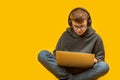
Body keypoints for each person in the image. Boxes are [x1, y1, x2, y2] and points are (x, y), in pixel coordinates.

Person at [38, 7, 109, 80]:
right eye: (75, 26)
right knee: (42, 54)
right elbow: (56, 54)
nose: (78, 30)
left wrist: (95, 60)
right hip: (65, 70)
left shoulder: (96, 38)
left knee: (104, 66)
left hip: (85, 72)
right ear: (70, 23)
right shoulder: (65, 35)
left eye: (82, 26)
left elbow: (101, 59)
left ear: (88, 23)